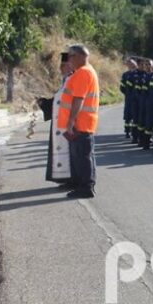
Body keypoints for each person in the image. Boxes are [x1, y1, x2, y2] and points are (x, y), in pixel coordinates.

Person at [58, 44, 100, 199]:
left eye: (71, 56)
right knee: (79, 156)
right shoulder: (83, 72)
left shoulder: (83, 73)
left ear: (81, 56)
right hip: (81, 123)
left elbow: (78, 99)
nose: (69, 59)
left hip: (81, 123)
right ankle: (79, 183)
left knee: (83, 156)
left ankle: (86, 187)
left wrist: (70, 122)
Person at [38, 52, 73, 186]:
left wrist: (46, 104)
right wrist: (45, 103)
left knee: (69, 152)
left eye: (64, 65)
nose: (61, 68)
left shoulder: (72, 79)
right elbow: (58, 100)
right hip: (61, 121)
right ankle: (65, 179)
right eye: (61, 65)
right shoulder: (66, 79)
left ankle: (71, 180)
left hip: (68, 121)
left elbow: (66, 101)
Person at [120, 59, 138, 138]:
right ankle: (127, 131)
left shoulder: (139, 73)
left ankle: (135, 132)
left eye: (132, 63)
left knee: (136, 114)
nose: (131, 65)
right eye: (129, 64)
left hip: (138, 98)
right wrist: (127, 93)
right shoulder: (125, 75)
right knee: (128, 115)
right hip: (129, 98)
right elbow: (122, 87)